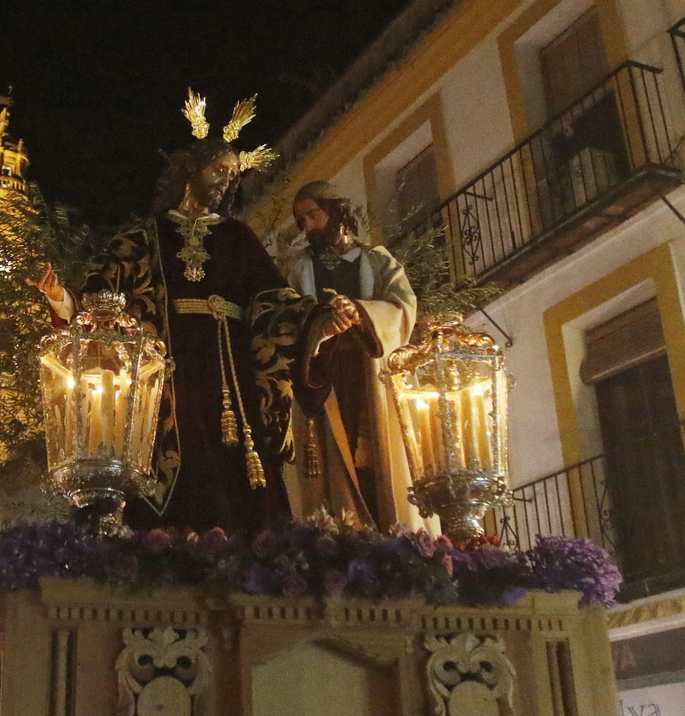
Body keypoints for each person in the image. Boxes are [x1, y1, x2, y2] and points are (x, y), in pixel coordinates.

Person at [32, 92, 361, 533]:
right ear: (191, 168)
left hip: (232, 371)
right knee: (170, 454)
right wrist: (60, 298)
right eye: (219, 170)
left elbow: (273, 301)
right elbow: (99, 301)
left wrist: (317, 324)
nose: (226, 181)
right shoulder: (144, 237)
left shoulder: (238, 237)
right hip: (164, 374)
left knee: (238, 469)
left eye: (233, 175)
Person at [283, 180, 423, 531]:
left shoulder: (376, 261)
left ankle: (388, 529)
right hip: (321, 377)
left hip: (369, 373)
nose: (308, 226)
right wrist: (319, 325)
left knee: (377, 459)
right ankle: (339, 531)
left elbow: (403, 308)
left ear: (336, 211)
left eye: (312, 215)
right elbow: (284, 317)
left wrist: (359, 312)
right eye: (302, 221)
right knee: (330, 460)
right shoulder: (296, 270)